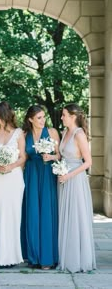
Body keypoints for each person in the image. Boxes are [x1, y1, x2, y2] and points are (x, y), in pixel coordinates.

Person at [0, 101, 26, 267]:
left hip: (14, 178)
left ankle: (12, 256)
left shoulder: (18, 133)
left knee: (13, 215)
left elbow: (23, 157)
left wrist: (9, 166)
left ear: (3, 114)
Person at [58, 103, 96, 273]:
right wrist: (50, 156)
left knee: (75, 217)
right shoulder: (65, 132)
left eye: (64, 114)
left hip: (75, 180)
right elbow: (61, 155)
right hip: (63, 178)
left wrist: (68, 175)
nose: (61, 117)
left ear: (73, 117)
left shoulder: (79, 134)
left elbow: (88, 162)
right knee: (65, 217)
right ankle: (65, 255)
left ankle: (78, 259)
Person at [21, 105, 60, 270]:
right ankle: (33, 257)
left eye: (44, 117)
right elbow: (22, 158)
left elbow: (59, 155)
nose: (43, 120)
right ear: (30, 119)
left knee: (46, 213)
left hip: (47, 175)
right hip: (31, 176)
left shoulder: (52, 133)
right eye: (39, 117)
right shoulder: (24, 135)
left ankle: (47, 258)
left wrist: (50, 156)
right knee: (32, 214)